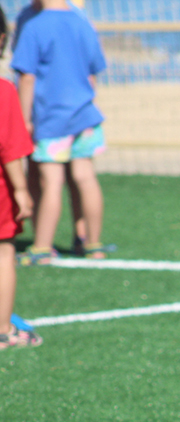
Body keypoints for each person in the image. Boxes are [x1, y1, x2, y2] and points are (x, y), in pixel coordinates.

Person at [11, 0, 107, 266]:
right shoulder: (81, 21)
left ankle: (42, 247)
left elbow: (27, 77)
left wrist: (23, 118)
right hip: (85, 115)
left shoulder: (33, 25)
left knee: (51, 182)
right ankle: (93, 244)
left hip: (51, 119)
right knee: (85, 177)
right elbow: (93, 72)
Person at [0, 7, 40, 349]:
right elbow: (11, 150)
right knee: (2, 255)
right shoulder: (4, 92)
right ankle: (3, 331)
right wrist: (22, 190)